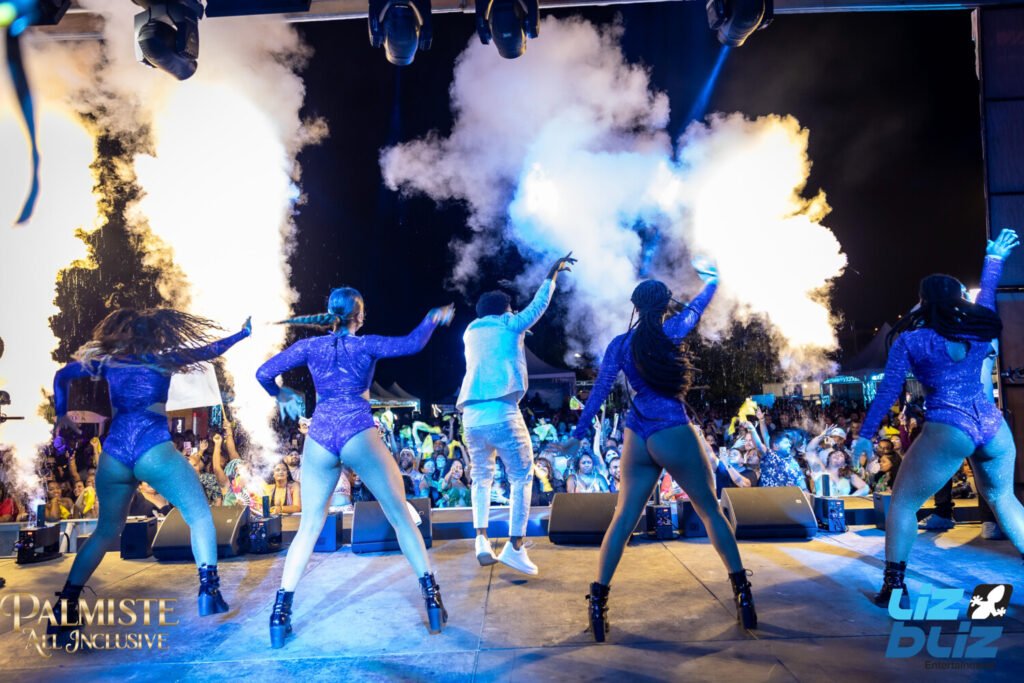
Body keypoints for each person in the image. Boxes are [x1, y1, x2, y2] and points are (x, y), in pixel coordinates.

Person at [565, 259, 757, 642]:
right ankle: (744, 595)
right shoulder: (672, 331)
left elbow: (599, 391)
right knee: (711, 511)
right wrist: (712, 283)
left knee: (623, 520)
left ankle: (598, 603)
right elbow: (697, 309)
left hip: (637, 434)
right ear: (664, 305)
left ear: (636, 306)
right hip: (671, 427)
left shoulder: (620, 345)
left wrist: (580, 431)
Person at [256, 287, 454, 647]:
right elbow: (412, 344)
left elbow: (263, 373)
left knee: (308, 527)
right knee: (400, 516)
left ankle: (279, 615)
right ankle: (433, 601)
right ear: (359, 317)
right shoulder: (366, 345)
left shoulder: (310, 347)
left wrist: (280, 394)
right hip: (356, 431)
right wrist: (432, 318)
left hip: (320, 436)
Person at [50, 308, 250, 645]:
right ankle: (209, 591)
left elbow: (62, 376)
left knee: (105, 531)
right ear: (156, 333)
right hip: (151, 449)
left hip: (114, 455)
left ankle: (65, 608)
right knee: (199, 514)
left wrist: (61, 415)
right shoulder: (164, 360)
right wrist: (242, 334)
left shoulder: (108, 362)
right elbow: (211, 350)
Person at [854, 229, 1024, 609]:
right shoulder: (977, 329)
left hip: (950, 427)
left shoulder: (911, 341)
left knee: (902, 504)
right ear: (959, 299)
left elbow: (888, 391)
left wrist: (866, 433)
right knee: (1004, 499)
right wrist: (994, 260)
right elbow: (988, 295)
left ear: (922, 301)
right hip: (992, 427)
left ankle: (894, 587)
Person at [457, 252, 576, 575]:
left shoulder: (470, 332)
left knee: (481, 477)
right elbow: (538, 306)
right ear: (506, 310)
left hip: (471, 417)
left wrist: (517, 331)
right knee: (521, 476)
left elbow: (496, 339)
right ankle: (515, 546)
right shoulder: (510, 324)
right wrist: (552, 274)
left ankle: (481, 539)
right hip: (502, 412)